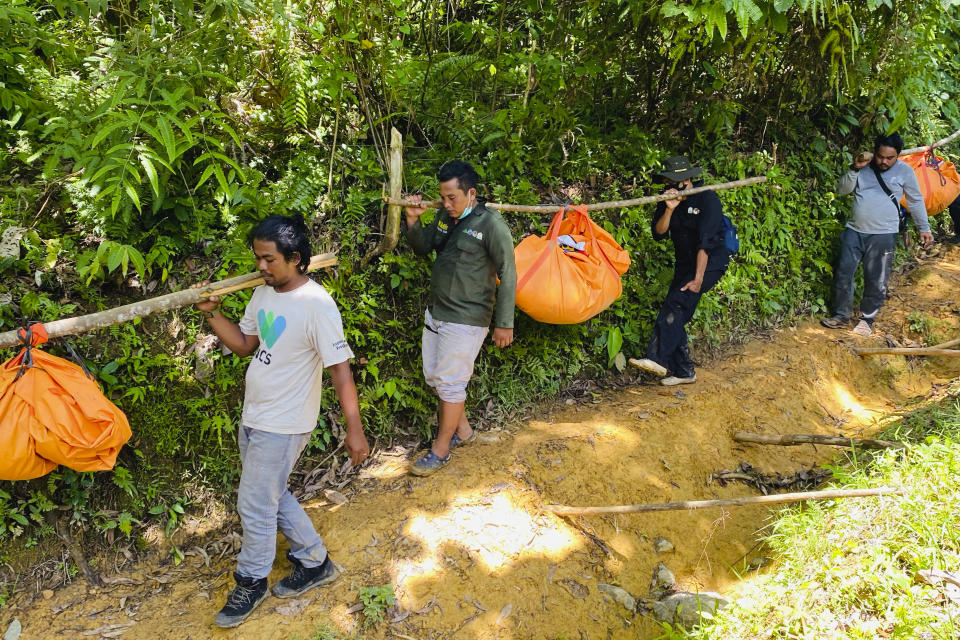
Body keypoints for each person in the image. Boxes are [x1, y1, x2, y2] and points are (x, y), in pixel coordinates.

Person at [195, 214, 369, 628]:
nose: (260, 267)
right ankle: (314, 561)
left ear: (295, 259)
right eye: (257, 258)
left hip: (286, 420)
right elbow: (245, 345)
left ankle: (251, 581)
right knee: (271, 494)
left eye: (269, 260)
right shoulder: (265, 293)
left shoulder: (318, 307)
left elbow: (340, 370)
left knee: (255, 502)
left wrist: (354, 429)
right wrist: (211, 315)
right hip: (256, 413)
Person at [403, 160, 516, 476]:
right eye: (443, 197)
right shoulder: (444, 215)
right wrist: (413, 221)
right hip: (437, 311)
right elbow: (426, 247)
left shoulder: (491, 225)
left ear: (472, 193)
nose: (447, 204)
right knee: (435, 377)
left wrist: (504, 322)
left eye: (453, 197)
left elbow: (508, 273)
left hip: (466, 318)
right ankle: (464, 432)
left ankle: (441, 450)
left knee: (450, 383)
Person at [628, 156, 730, 386]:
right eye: (668, 181)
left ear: (688, 180)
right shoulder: (668, 199)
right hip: (684, 263)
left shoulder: (707, 199)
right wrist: (670, 209)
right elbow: (659, 233)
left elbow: (707, 242)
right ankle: (684, 371)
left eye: (675, 182)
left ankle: (657, 360)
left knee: (675, 304)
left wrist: (698, 279)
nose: (671, 185)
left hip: (710, 261)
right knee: (677, 311)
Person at [821, 133, 933, 337]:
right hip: (854, 230)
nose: (884, 161)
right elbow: (842, 190)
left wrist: (924, 228)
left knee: (876, 279)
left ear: (897, 155)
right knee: (844, 273)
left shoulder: (905, 172)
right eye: (881, 156)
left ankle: (867, 319)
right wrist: (855, 168)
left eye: (890, 158)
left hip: (883, 234)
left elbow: (915, 201)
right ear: (875, 153)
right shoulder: (864, 166)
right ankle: (841, 315)